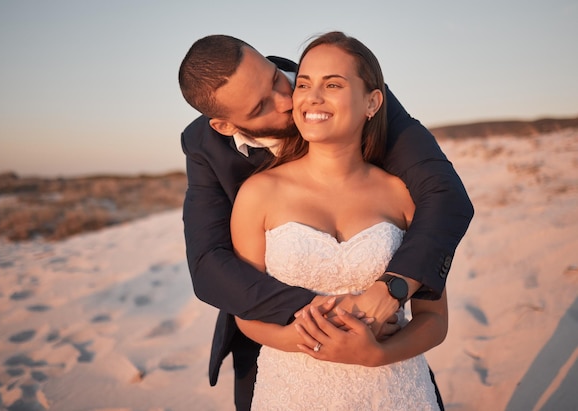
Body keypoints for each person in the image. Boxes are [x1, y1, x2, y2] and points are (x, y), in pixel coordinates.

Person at [178, 34, 472, 410]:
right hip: (277, 341)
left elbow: (444, 196)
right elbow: (208, 265)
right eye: (261, 106)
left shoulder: (338, 83)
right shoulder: (211, 152)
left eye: (277, 80)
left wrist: (388, 294)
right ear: (225, 125)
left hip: (391, 374)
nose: (289, 100)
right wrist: (329, 319)